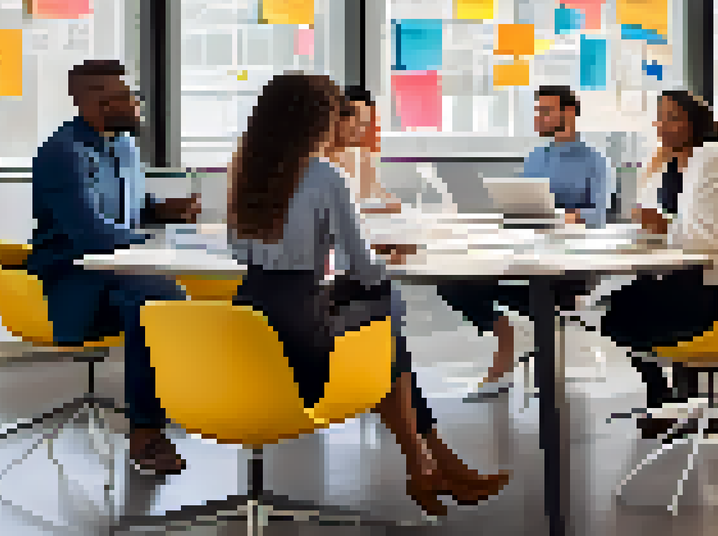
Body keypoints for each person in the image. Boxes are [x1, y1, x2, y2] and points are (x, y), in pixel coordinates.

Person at [228, 72, 509, 518]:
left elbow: (240, 249)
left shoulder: (245, 171)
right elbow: (365, 269)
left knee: (376, 316)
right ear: (314, 122)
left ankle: (429, 459)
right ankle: (426, 459)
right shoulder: (325, 175)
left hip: (249, 321)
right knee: (384, 309)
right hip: (301, 334)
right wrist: (385, 262)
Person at [27, 60, 201, 475]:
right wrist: (157, 245)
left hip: (119, 274)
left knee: (159, 293)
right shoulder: (63, 153)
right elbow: (91, 236)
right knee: (156, 298)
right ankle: (146, 431)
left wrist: (171, 210)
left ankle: (174, 405)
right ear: (92, 102)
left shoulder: (124, 147)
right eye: (125, 97)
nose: (136, 104)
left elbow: (132, 210)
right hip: (72, 283)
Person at [601, 90, 718, 439]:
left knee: (623, 308)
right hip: (696, 280)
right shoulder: (674, 164)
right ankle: (668, 399)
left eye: (673, 117)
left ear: (694, 124)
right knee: (622, 302)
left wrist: (661, 226)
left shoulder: (710, 160)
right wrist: (652, 178)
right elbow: (648, 215)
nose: (663, 125)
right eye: (660, 117)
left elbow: (706, 241)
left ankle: (668, 400)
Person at [435, 85, 610, 400]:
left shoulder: (594, 161)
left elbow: (597, 216)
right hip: (526, 256)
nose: (539, 117)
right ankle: (506, 335)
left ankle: (514, 368)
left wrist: (558, 218)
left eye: (546, 110)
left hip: (568, 268)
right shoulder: (536, 157)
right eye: (537, 110)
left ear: (568, 112)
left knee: (538, 293)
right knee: (453, 283)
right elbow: (523, 204)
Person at [328, 84, 403, 215]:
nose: (360, 129)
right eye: (354, 119)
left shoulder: (360, 154)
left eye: (364, 123)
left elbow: (384, 197)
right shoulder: (320, 158)